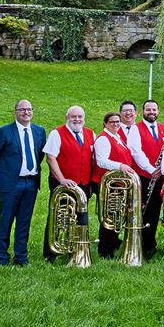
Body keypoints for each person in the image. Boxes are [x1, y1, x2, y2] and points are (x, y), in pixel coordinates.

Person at [0, 100, 45, 266]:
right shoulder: (5, 131)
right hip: (11, 184)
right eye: (22, 110)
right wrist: (7, 174)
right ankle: (2, 258)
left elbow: (39, 154)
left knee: (24, 221)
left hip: (31, 183)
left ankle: (21, 257)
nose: (26, 112)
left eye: (29, 109)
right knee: (6, 221)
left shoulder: (39, 131)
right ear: (15, 112)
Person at [42, 105, 93, 262]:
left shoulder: (90, 133)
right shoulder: (57, 133)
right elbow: (50, 157)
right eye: (73, 117)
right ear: (67, 117)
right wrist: (61, 179)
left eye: (80, 117)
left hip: (83, 184)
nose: (77, 119)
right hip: (63, 184)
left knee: (81, 218)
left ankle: (77, 251)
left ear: (84, 119)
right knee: (58, 218)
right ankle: (51, 253)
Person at [91, 111, 137, 259]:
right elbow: (101, 161)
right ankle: (105, 250)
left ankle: (112, 243)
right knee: (109, 217)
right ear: (105, 123)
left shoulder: (116, 136)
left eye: (118, 121)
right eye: (112, 122)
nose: (116, 124)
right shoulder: (103, 139)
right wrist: (120, 166)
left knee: (117, 214)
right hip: (108, 184)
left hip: (118, 184)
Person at [135, 99, 164, 256]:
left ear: (158, 111)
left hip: (163, 177)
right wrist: (150, 169)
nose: (151, 112)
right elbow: (136, 152)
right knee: (147, 212)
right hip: (145, 176)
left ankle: (160, 244)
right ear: (143, 112)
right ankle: (144, 245)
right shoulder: (136, 129)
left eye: (154, 109)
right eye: (148, 110)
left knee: (162, 211)